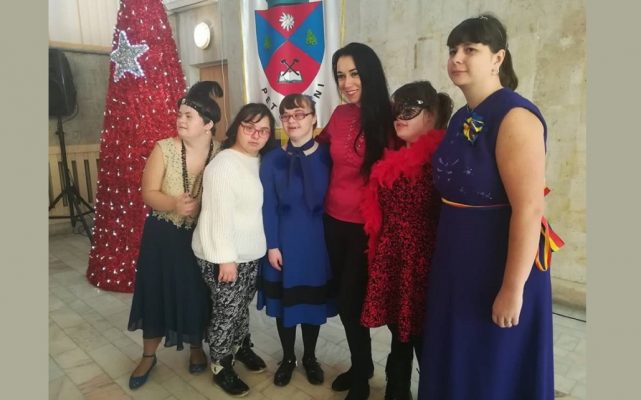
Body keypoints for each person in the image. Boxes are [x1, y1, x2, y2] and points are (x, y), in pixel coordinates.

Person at [418, 14, 561, 400]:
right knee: (457, 355)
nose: (457, 58)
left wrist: (513, 289)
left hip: (498, 262)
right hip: (456, 258)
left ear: (498, 58)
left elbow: (529, 209)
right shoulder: (461, 117)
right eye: (453, 50)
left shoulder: (516, 117)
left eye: (470, 50)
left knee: (491, 364)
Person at [126, 81, 224, 390]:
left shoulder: (221, 152)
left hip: (200, 237)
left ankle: (196, 347)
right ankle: (148, 355)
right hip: (162, 236)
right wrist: (173, 204)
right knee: (155, 292)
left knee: (196, 292)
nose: (180, 120)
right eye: (179, 114)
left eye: (188, 116)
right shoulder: (164, 149)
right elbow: (147, 193)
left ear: (208, 124)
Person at [360, 81, 452, 400]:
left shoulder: (444, 160)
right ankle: (396, 391)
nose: (399, 116)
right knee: (399, 336)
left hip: (426, 266)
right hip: (394, 261)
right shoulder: (393, 158)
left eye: (408, 109)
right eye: (396, 109)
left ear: (431, 115)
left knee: (426, 339)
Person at [317, 42, 397, 400]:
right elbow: (318, 148)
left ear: (369, 73)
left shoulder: (391, 117)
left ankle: (365, 376)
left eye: (354, 74)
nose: (346, 83)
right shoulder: (339, 114)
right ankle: (361, 365)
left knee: (353, 302)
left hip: (367, 229)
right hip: (332, 221)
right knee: (344, 301)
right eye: (340, 76)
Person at [192, 103, 277, 397]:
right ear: (237, 126)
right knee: (227, 311)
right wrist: (226, 259)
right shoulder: (224, 165)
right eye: (249, 127)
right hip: (223, 255)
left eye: (263, 130)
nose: (256, 135)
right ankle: (220, 364)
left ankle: (240, 347)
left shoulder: (257, 160)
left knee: (241, 307)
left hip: (249, 252)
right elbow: (218, 216)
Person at [257, 94, 338, 387]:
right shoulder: (272, 159)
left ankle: (310, 357)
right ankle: (288, 357)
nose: (292, 121)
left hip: (317, 241)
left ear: (314, 118)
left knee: (312, 303)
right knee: (285, 303)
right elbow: (267, 205)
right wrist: (272, 245)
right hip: (284, 241)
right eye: (286, 116)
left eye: (299, 115)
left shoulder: (328, 156)